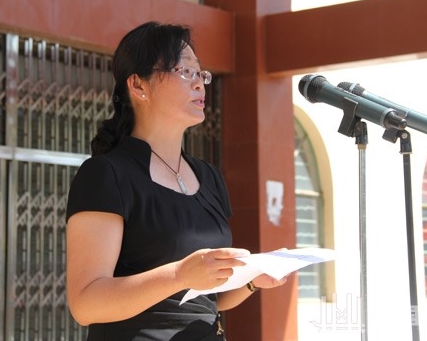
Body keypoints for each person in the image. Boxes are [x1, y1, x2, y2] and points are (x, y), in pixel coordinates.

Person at [66, 21, 287, 340]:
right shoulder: (106, 174)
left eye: (201, 73)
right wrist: (179, 274)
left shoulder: (209, 176)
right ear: (138, 85)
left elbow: (206, 301)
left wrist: (252, 280)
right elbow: (86, 304)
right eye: (185, 71)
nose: (199, 83)